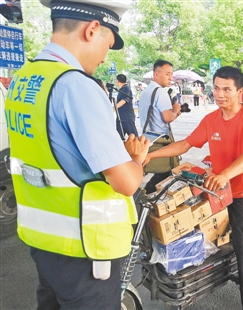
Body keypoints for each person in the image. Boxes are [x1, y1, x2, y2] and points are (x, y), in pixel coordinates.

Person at [4, 1, 150, 309]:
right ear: (92, 29)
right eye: (107, 45)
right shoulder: (75, 86)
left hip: (43, 243)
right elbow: (125, 183)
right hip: (85, 253)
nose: (104, 57)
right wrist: (136, 159)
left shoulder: (24, 79)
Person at [144, 66, 243, 310]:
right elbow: (185, 144)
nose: (220, 94)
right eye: (216, 88)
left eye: (226, 89)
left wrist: (224, 175)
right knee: (184, 224)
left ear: (239, 92)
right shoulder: (211, 119)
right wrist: (150, 156)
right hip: (217, 191)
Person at [138, 59, 181, 193]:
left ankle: (145, 201)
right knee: (164, 178)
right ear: (156, 74)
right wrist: (176, 110)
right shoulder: (161, 92)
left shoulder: (145, 92)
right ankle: (147, 204)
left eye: (171, 74)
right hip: (161, 141)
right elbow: (167, 118)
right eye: (167, 74)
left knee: (158, 176)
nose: (171, 77)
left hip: (149, 139)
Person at [115, 73, 139, 139]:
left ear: (117, 81)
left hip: (127, 118)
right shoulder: (122, 89)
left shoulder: (126, 88)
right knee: (118, 139)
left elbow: (124, 101)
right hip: (120, 118)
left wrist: (114, 108)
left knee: (134, 138)